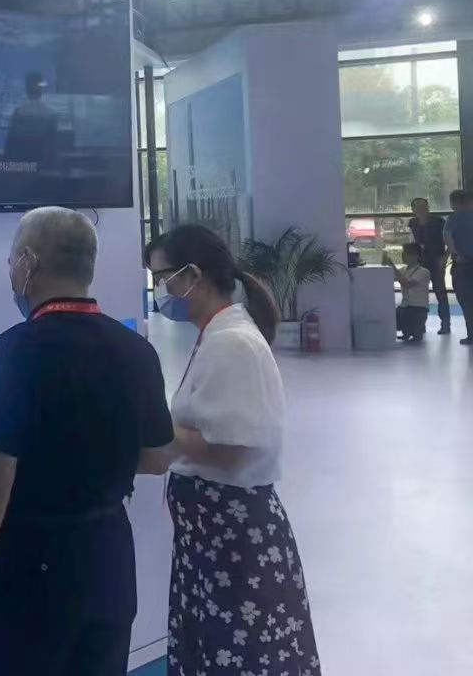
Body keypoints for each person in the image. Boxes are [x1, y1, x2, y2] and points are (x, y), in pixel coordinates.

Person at [0, 207, 174, 676]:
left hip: (31, 567)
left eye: (12, 259)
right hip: (109, 558)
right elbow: (156, 458)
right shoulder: (137, 350)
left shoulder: (19, 348)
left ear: (28, 262)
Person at [145, 225, 319, 676]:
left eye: (162, 278)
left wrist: (153, 430)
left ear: (192, 275)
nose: (160, 291)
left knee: (241, 654)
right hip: (211, 539)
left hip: (235, 539)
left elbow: (232, 450)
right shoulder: (215, 335)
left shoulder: (233, 342)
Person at [408, 197, 449, 334]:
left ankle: (445, 324)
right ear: (413, 210)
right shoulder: (413, 223)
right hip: (420, 262)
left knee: (440, 293)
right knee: (419, 294)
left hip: (436, 260)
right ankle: (419, 325)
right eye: (418, 207)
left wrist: (444, 258)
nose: (421, 209)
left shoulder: (439, 222)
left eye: (423, 206)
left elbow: (448, 240)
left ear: (428, 207)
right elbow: (412, 243)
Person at [3, 72, 59, 169]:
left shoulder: (18, 113)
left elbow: (9, 146)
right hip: (41, 168)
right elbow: (52, 148)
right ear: (41, 90)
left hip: (19, 167)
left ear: (26, 89)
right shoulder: (51, 114)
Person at [383, 243, 430, 343]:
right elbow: (387, 277)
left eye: (407, 254)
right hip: (404, 306)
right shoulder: (403, 270)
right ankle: (407, 331)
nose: (403, 256)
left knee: (415, 333)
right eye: (403, 253)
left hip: (418, 308)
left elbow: (407, 284)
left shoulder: (424, 272)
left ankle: (416, 330)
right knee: (391, 318)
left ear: (416, 256)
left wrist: (393, 266)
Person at [445, 189, 473, 344]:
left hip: (462, 265)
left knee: (466, 301)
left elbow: (447, 237)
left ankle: (472, 335)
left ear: (456, 202)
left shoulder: (454, 218)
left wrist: (455, 254)